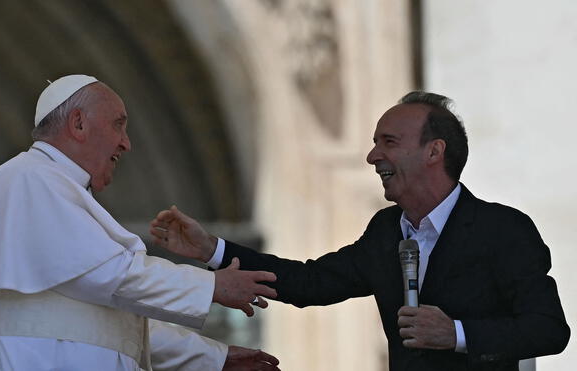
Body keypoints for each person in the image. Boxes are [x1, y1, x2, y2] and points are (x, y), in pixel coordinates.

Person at [151, 91, 571, 371]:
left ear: (434, 151)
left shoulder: (503, 229)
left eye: (388, 142)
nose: (373, 156)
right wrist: (213, 250)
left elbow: (550, 330)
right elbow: (310, 281)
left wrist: (456, 334)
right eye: (375, 143)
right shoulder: (386, 231)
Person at [0, 75, 280, 371]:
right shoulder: (29, 176)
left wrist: (215, 358)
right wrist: (213, 286)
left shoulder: (61, 188)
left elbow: (122, 324)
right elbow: (112, 276)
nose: (127, 143)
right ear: (78, 123)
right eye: (118, 125)